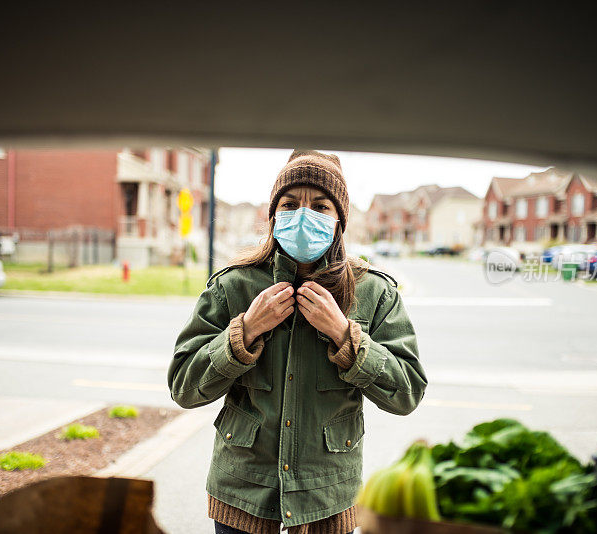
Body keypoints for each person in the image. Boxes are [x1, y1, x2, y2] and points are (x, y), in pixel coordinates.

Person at [167, 149, 428, 534]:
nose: (303, 216)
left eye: (320, 206)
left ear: (339, 220)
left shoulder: (374, 292)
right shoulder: (232, 286)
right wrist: (245, 332)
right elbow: (184, 388)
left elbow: (407, 394)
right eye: (290, 204)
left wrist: (345, 335)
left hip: (328, 498)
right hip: (243, 494)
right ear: (274, 215)